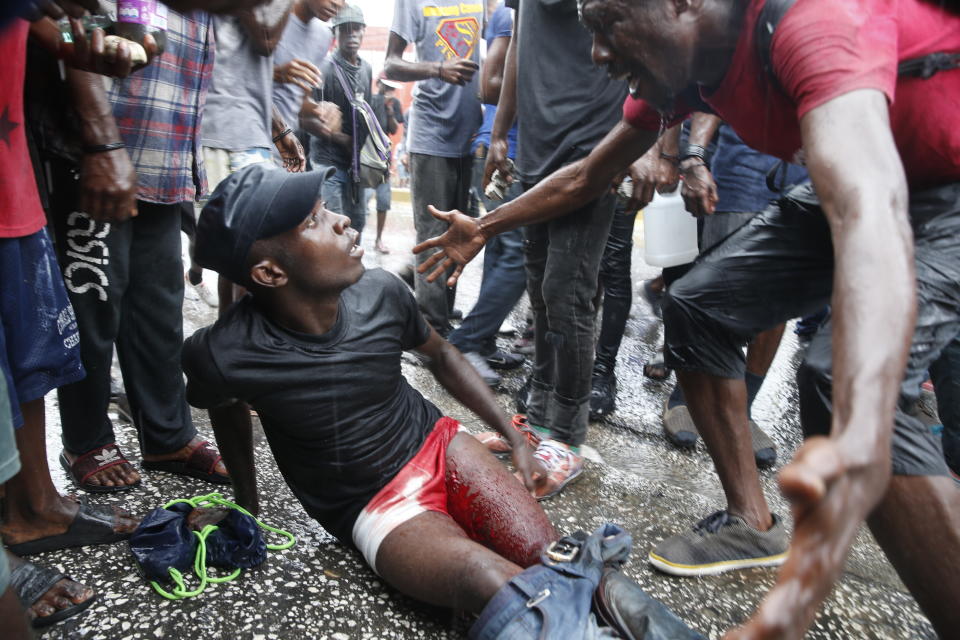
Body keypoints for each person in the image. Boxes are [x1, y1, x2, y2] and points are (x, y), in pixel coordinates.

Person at [413, 0, 960, 635]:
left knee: (846, 381)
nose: (595, 53)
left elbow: (870, 208)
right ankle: (750, 523)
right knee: (697, 307)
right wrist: (483, 225)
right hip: (871, 180)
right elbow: (589, 175)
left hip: (936, 188)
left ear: (682, 4)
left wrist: (859, 434)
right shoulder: (681, 74)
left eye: (606, 24)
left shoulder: (813, 22)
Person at [181, 163, 559, 617]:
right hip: (371, 506)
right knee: (493, 583)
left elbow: (442, 355)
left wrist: (515, 440)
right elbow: (226, 409)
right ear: (270, 272)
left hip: (436, 444)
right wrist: (247, 506)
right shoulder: (223, 353)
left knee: (549, 553)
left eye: (326, 209)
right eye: (313, 221)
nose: (341, 220)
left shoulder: (381, 291)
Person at [37, 2, 231, 493]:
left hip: (162, 151)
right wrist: (101, 143)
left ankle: (166, 435)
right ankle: (85, 440)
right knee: (92, 307)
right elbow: (69, 27)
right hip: (100, 143)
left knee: (158, 309)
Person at [468, 0, 628, 499]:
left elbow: (648, 35)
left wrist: (657, 141)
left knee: (568, 293)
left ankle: (567, 436)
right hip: (538, 147)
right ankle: (537, 420)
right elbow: (521, 40)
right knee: (539, 290)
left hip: (593, 145)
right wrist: (500, 134)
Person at [383, 0, 483, 336]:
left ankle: (442, 312)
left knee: (461, 231)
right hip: (431, 135)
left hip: (471, 133)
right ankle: (428, 332)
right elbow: (391, 64)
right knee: (432, 233)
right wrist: (437, 70)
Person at [445, 0, 525, 389]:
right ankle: (465, 342)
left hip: (511, 148)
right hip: (504, 149)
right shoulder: (511, 15)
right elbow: (488, 83)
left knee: (502, 250)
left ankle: (483, 340)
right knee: (517, 254)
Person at [308, 4, 372, 235]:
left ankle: (352, 269)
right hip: (328, 164)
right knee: (334, 227)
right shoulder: (324, 69)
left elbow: (369, 113)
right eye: (345, 29)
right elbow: (305, 119)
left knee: (358, 223)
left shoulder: (366, 69)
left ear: (364, 30)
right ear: (335, 33)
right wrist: (338, 137)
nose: (352, 34)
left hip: (355, 164)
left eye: (356, 28)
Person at [271, 0, 341, 166]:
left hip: (282, 152)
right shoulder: (269, 12)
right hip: (242, 143)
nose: (338, 3)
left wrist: (321, 109)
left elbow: (299, 98)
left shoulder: (323, 36)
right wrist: (273, 73)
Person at [365, 76, 404, 254]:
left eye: (391, 87)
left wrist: (389, 111)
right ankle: (353, 238)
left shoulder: (394, 102)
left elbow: (394, 129)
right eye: (386, 85)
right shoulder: (369, 98)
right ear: (378, 84)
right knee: (361, 200)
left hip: (383, 157)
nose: (388, 89)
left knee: (383, 201)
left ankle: (378, 239)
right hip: (366, 156)